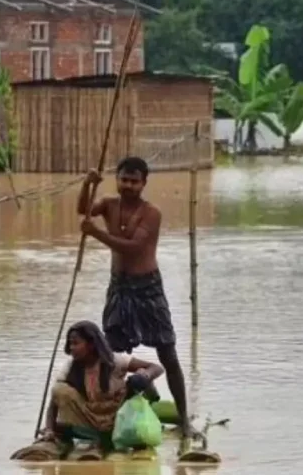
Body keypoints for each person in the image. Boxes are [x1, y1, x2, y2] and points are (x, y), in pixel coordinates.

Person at [77, 156, 198, 440]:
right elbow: (83, 209)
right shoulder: (108, 204)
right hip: (119, 288)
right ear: (117, 180)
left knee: (167, 353)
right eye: (124, 180)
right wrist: (87, 184)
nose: (128, 186)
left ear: (144, 183)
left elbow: (133, 248)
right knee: (108, 353)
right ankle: (109, 413)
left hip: (148, 289)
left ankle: (183, 420)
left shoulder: (151, 213)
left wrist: (95, 234)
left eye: (134, 181)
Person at [14, 320, 164, 460]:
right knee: (60, 389)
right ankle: (94, 439)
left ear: (91, 344)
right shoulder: (70, 367)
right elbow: (54, 402)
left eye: (76, 343)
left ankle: (112, 437)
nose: (72, 348)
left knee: (138, 380)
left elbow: (156, 367)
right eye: (70, 344)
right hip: (89, 419)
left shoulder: (114, 361)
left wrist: (145, 374)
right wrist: (49, 429)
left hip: (116, 417)